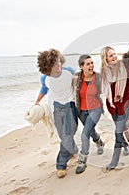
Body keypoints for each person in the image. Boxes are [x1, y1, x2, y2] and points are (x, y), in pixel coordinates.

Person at [35, 49, 78, 178]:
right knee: (63, 135)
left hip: (70, 106)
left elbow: (81, 80)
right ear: (47, 67)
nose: (58, 65)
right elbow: (44, 89)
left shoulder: (69, 71)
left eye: (58, 61)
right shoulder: (45, 78)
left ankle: (61, 165)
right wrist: (37, 101)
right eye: (54, 64)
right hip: (56, 108)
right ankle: (73, 149)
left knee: (67, 134)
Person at [100, 46, 129, 170]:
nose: (114, 57)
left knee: (118, 131)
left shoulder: (124, 66)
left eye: (114, 54)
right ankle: (125, 145)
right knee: (118, 128)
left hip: (125, 101)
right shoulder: (104, 72)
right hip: (112, 104)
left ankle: (114, 161)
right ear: (105, 59)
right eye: (111, 55)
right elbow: (103, 89)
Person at [72, 54, 105, 174]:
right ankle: (99, 142)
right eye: (88, 64)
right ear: (81, 66)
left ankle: (82, 160)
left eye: (92, 63)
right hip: (81, 110)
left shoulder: (99, 77)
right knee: (91, 131)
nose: (91, 66)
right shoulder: (76, 77)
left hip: (95, 109)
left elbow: (107, 89)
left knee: (85, 134)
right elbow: (69, 90)